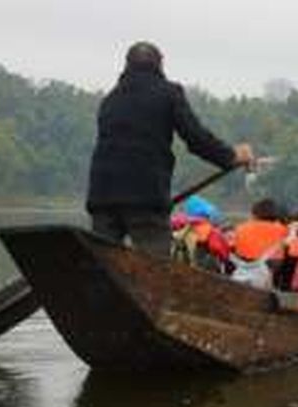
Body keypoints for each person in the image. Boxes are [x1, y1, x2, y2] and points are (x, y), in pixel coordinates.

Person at [86, 41, 254, 258]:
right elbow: (195, 138)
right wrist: (231, 156)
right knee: (156, 269)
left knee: (101, 266)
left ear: (126, 66)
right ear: (160, 64)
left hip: (102, 197)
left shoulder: (110, 100)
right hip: (145, 197)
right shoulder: (168, 93)